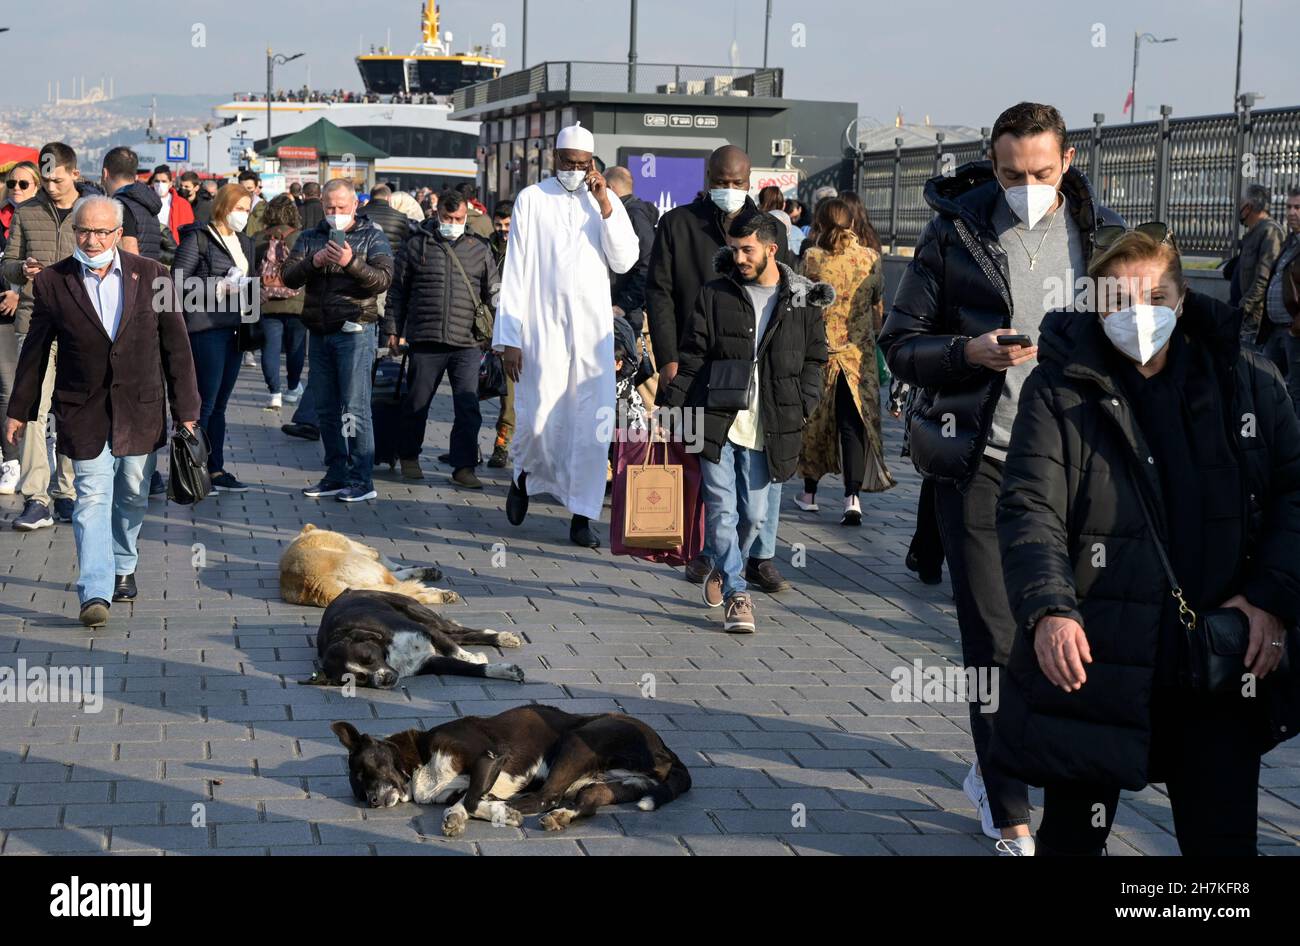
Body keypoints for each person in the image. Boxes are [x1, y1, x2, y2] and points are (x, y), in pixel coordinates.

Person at [993, 227, 1300, 855]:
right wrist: (1050, 609)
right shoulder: (1061, 388)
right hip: (1095, 654)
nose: (1138, 315)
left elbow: (1295, 493)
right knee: (1075, 837)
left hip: (1217, 656)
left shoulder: (1246, 380)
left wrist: (1271, 598)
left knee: (1221, 846)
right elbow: (1030, 507)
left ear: (1182, 298)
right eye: (1119, 299)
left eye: (1154, 296)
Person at [880, 101, 1123, 855]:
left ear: (1068, 161)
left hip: (1078, 473)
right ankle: (1008, 805)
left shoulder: (1103, 237)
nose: (1027, 186)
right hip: (981, 463)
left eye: (1042, 173)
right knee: (995, 641)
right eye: (1013, 173)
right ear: (993, 161)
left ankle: (1044, 776)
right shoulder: (956, 232)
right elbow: (900, 343)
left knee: (1076, 639)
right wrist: (967, 353)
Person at [3, 195, 200, 627]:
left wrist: (187, 411)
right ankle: (95, 589)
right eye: (83, 231)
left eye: (100, 232)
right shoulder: (54, 282)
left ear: (117, 233)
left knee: (131, 493)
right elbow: (35, 351)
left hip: (140, 408)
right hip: (82, 409)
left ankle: (123, 563)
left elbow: (177, 349)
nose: (91, 240)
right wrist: (20, 410)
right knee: (91, 496)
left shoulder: (154, 275)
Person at [658, 210, 830, 633]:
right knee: (720, 509)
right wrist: (671, 407)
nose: (738, 258)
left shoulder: (803, 299)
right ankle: (737, 592)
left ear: (771, 249)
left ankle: (721, 563)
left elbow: (815, 358)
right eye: (733, 249)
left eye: (746, 249)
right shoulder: (715, 293)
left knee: (753, 516)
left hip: (771, 420)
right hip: (715, 416)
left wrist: (805, 402)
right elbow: (694, 354)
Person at [647, 144, 794, 593]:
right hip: (699, 363)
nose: (729, 191)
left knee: (764, 465)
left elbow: (787, 296)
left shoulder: (771, 229)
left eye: (737, 184)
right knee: (708, 462)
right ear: (707, 176)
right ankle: (713, 552)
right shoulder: (678, 224)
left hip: (757, 365)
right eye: (721, 182)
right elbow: (660, 294)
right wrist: (669, 358)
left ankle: (759, 556)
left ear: (749, 181)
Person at [493, 123, 639, 548]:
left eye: (582, 164)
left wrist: (606, 204)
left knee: (589, 428)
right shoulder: (532, 199)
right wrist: (510, 337)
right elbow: (516, 270)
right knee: (539, 420)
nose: (575, 170)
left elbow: (625, 259)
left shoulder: (604, 202)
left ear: (592, 163)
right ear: (555, 160)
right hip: (542, 331)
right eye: (568, 163)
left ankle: (581, 516)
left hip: (592, 335)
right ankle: (522, 477)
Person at [282, 178, 394, 503]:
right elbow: (288, 276)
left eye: (341, 208)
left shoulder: (373, 236)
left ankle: (362, 479)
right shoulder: (309, 237)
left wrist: (350, 262)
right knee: (326, 407)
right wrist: (313, 263)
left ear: (355, 206)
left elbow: (383, 279)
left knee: (354, 406)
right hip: (319, 329)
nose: (335, 214)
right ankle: (336, 473)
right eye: (329, 208)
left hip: (356, 329)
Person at [1, 142, 88, 530]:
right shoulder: (26, 212)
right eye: (45, 179)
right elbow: (8, 266)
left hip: (81, 326)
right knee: (33, 410)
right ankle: (36, 497)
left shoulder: (91, 213)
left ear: (73, 173)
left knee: (71, 408)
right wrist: (23, 270)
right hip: (34, 322)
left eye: (55, 179)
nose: (50, 186)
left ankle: (67, 491)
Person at [388, 188, 500, 487]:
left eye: (459, 218)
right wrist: (392, 330)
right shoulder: (416, 245)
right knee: (417, 402)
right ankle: (409, 456)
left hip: (467, 342)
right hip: (426, 338)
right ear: (437, 215)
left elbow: (493, 294)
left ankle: (463, 466)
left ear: (466, 216)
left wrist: (498, 334)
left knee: (468, 406)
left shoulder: (480, 248)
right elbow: (398, 291)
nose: (454, 222)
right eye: (448, 217)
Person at [794, 197, 894, 524]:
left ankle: (809, 493)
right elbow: (878, 299)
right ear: (852, 222)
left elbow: (797, 301)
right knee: (853, 426)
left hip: (819, 354)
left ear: (820, 223)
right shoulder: (870, 258)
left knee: (815, 422)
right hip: (858, 357)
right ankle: (852, 498)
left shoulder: (811, 258)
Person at [172, 183, 256, 492]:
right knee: (204, 403)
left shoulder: (246, 242)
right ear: (223, 207)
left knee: (221, 403)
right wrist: (217, 287)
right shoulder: (199, 239)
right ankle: (196, 469)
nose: (243, 215)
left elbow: (251, 279)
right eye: (239, 209)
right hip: (206, 329)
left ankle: (217, 468)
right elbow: (176, 282)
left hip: (236, 328)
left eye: (248, 210)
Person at [0, 160, 40, 496]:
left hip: (32, 314)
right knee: (7, 388)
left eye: (23, 184)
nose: (15, 189)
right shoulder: (3, 219)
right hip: (2, 315)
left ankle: (36, 455)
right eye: (11, 183)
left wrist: (18, 291)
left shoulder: (42, 219)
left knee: (31, 391)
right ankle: (11, 459)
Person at [603, 166, 659, 406]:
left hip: (630, 319)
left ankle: (648, 442)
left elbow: (648, 264)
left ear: (611, 190)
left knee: (640, 390)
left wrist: (623, 305)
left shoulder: (632, 215)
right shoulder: (622, 213)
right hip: (623, 314)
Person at [255, 194, 306, 410]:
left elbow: (250, 270)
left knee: (270, 348)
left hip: (267, 301)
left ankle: (274, 393)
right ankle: (293, 388)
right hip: (298, 302)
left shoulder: (258, 238)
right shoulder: (301, 237)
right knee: (296, 348)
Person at [1255, 187, 1300, 415]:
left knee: (1295, 393)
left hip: (1294, 332)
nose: (1292, 212)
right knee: (1267, 386)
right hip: (1275, 330)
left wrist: (1295, 329)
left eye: (1297, 207)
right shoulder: (1290, 241)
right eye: (1289, 207)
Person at [1235, 183, 1286, 349]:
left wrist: (1244, 308)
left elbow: (1263, 279)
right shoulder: (1253, 232)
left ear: (1248, 206)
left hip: (1256, 320)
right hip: (1246, 317)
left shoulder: (1270, 232)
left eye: (1241, 202)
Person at [487, 198, 514, 469]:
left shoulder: (524, 248)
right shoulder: (487, 246)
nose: (502, 229)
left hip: (512, 328)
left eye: (507, 224)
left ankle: (502, 444)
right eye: (499, 224)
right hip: (487, 325)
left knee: (509, 394)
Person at [101, 147, 162, 262]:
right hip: (150, 273)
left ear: (105, 173)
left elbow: (130, 253)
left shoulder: (120, 206)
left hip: (134, 276)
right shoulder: (145, 202)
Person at [150, 164, 194, 248]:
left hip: (173, 250)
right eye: (157, 181)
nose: (160, 184)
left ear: (170, 183)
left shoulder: (183, 205)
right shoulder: (144, 201)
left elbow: (189, 232)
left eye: (164, 181)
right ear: (152, 182)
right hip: (151, 248)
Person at [238, 170, 268, 237]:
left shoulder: (264, 206)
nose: (246, 191)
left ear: (256, 187)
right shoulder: (232, 205)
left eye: (249, 188)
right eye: (243, 188)